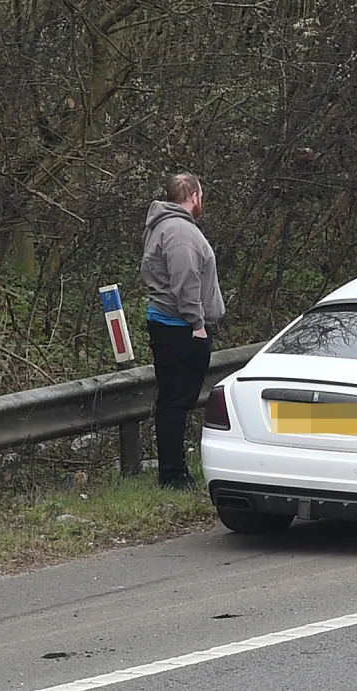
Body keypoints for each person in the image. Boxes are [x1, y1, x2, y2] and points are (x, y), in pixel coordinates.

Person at [140, 172, 226, 490]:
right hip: (180, 327)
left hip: (171, 323)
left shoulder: (164, 225)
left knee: (172, 401)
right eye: (200, 195)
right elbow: (185, 278)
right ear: (192, 195)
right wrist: (198, 325)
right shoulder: (179, 231)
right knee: (177, 402)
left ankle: (173, 469)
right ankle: (173, 474)